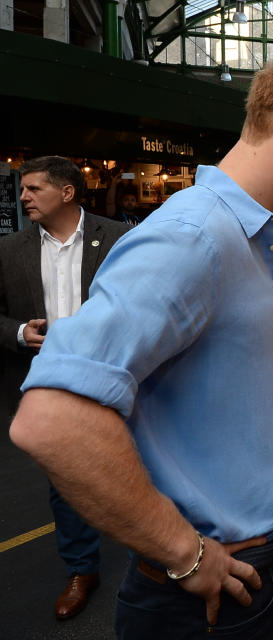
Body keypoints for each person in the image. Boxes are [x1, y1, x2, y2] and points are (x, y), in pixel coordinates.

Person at [9, 54, 273, 638]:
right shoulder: (195, 238)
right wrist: (183, 551)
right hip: (208, 597)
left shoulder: (249, 235)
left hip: (253, 570)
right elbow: (50, 419)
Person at [0, 156, 129, 621]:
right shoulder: (8, 250)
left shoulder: (118, 238)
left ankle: (160, 559)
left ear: (67, 192)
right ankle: (82, 569)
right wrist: (17, 332)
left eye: (33, 188)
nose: (23, 196)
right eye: (23, 188)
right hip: (48, 385)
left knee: (142, 468)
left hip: (116, 378)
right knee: (66, 483)